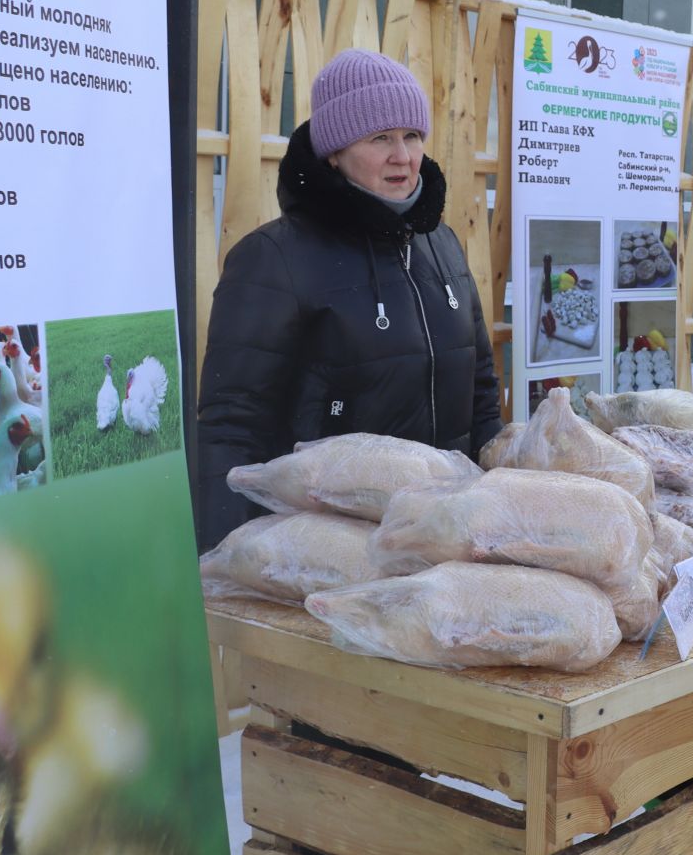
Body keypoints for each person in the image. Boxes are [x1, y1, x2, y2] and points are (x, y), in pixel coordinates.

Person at [196, 49, 501, 549]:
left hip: (442, 541)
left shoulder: (441, 243)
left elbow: (481, 395)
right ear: (333, 151)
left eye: (412, 135)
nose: (402, 155)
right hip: (327, 548)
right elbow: (233, 428)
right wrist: (224, 561)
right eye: (379, 137)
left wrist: (496, 509)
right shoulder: (274, 258)